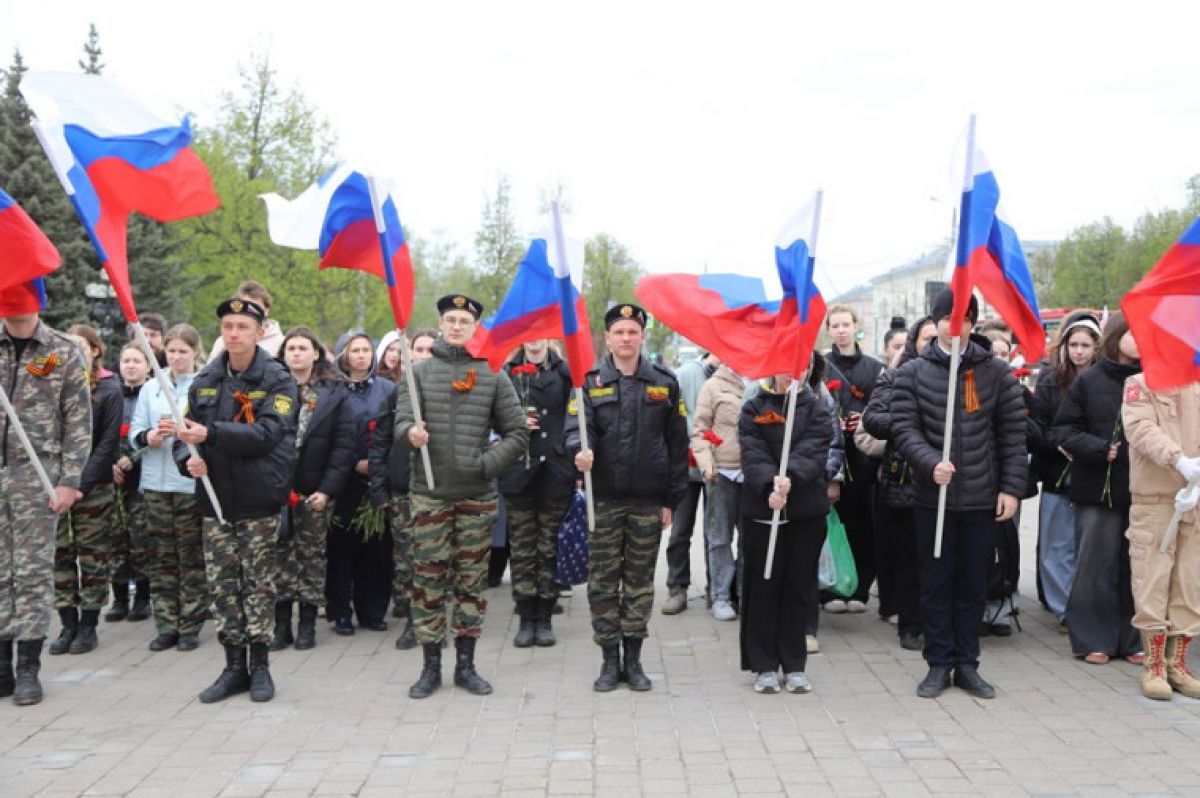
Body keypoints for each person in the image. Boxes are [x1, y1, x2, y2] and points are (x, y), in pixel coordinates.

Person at [891, 289, 1026, 699]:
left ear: (973, 322)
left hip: (981, 498)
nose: (955, 326)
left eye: (963, 318)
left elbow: (1012, 434)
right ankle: (938, 663)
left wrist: (1011, 488)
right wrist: (930, 462)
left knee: (972, 585)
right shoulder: (913, 372)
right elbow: (903, 428)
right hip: (934, 498)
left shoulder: (995, 372)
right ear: (935, 323)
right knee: (935, 583)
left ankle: (968, 664)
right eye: (947, 318)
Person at [395, 295, 528, 698]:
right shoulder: (417, 374)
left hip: (476, 496)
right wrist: (410, 434)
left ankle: (466, 666)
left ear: (475, 328)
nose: (456, 326)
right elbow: (400, 423)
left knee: (471, 582)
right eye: (450, 319)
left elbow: (518, 433)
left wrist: (485, 465)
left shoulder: (492, 375)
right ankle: (430, 667)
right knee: (428, 583)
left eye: (464, 321)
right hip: (430, 495)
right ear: (439, 324)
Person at [175, 298, 297, 703]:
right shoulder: (206, 379)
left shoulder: (277, 379)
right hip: (216, 499)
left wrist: (209, 436)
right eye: (227, 326)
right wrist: (186, 461)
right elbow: (186, 434)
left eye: (243, 327)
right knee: (223, 587)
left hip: (258, 497)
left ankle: (260, 667)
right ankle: (233, 667)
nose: (234, 334)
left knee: (258, 585)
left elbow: (267, 434)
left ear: (259, 332)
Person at [566, 303, 689, 692]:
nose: (625, 338)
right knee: (602, 583)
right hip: (603, 500)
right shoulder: (587, 382)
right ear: (608, 337)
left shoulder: (664, 383)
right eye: (619, 332)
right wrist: (578, 451)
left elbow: (677, 443)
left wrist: (672, 499)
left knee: (638, 583)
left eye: (632, 332)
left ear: (641, 337)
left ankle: (633, 660)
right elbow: (576, 428)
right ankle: (607, 661)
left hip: (647, 502)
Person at [0, 280, 91, 706]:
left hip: (36, 478)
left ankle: (28, 666)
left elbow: (78, 423)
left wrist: (70, 481)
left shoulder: (62, 351)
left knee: (32, 572)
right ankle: (1, 664)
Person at [1053, 312, 1142, 665]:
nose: (1139, 339)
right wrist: (1098, 447)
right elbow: (1063, 431)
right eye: (1132, 333)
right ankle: (1093, 638)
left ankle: (1133, 637)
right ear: (1116, 335)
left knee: (1136, 564)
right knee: (1096, 564)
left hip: (1143, 489)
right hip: (1098, 488)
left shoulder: (1153, 378)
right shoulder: (1090, 381)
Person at [738, 368, 833, 693]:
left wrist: (790, 477)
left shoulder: (817, 408)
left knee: (798, 588)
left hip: (804, 509)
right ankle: (763, 664)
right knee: (763, 586)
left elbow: (814, 450)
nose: (791, 372)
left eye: (800, 365)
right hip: (763, 508)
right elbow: (752, 451)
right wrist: (770, 484)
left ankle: (794, 664)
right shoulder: (754, 406)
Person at [272, 327, 356, 651]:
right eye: (290, 348)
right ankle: (281, 624)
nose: (296, 353)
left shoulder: (334, 392)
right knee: (279, 557)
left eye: (302, 348)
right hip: (276, 489)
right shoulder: (272, 388)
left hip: (314, 492)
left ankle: (307, 623)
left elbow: (344, 446)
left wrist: (327, 490)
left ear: (316, 353)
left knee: (311, 557)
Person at [129, 324, 207, 651]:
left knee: (189, 556)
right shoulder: (151, 387)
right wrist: (148, 436)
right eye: (172, 351)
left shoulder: (204, 386)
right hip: (155, 483)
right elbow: (134, 434)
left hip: (187, 484)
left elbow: (209, 432)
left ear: (195, 354)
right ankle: (166, 624)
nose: (176, 357)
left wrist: (183, 431)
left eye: (183, 352)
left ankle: (190, 624)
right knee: (160, 556)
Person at [1123, 373, 1200, 700]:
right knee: (1151, 579)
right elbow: (1139, 429)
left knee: (1190, 581)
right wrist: (1179, 460)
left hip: (1197, 497)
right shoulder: (1140, 383)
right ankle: (1153, 665)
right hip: (1155, 497)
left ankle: (1177, 663)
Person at [862, 316, 937, 651]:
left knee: (941, 559)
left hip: (951, 483)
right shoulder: (894, 376)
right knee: (909, 557)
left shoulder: (962, 377)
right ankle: (910, 623)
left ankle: (939, 623)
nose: (932, 343)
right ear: (914, 344)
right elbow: (873, 419)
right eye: (926, 338)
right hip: (906, 481)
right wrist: (909, 419)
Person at [50, 326, 121, 656]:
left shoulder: (108, 389)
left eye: (81, 346)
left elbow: (107, 445)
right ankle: (67, 623)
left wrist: (78, 485)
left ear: (95, 350)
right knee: (60, 554)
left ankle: (89, 625)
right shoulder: (53, 383)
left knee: (92, 556)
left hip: (92, 488)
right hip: (53, 487)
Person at [501, 339, 577, 648]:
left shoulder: (565, 372)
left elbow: (576, 417)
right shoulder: (506, 372)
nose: (535, 339)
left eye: (541, 333)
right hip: (519, 471)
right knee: (521, 550)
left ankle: (545, 617)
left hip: (555, 470)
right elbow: (494, 418)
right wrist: (514, 424)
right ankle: (525, 616)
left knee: (549, 548)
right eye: (529, 333)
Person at [1030, 313, 1100, 628]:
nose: (1079, 351)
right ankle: (1064, 609)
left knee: (1089, 545)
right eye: (1074, 344)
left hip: (1094, 473)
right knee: (1056, 545)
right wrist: (1056, 443)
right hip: (1057, 471)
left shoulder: (1106, 381)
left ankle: (1087, 606)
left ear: (1097, 347)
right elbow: (1037, 425)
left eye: (1086, 345)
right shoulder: (1049, 380)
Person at [325, 330, 395, 635]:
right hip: (343, 479)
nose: (361, 356)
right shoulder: (332, 390)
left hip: (378, 479)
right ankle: (341, 611)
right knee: (341, 550)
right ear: (343, 355)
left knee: (377, 550)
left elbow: (394, 431)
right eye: (355, 350)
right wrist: (351, 462)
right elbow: (325, 435)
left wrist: (377, 464)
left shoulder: (388, 389)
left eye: (366, 350)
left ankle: (374, 610)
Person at [823, 305, 883, 615]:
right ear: (829, 329)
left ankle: (860, 588)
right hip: (831, 455)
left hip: (863, 454)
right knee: (833, 520)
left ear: (855, 326)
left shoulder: (874, 368)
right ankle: (831, 587)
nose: (842, 330)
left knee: (863, 521)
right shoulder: (821, 365)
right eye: (836, 325)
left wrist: (864, 419)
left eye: (846, 324)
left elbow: (881, 406)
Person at [662, 351, 719, 615]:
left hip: (720, 467)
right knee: (680, 530)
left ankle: (717, 589)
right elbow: (671, 417)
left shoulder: (734, 374)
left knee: (716, 532)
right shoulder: (685, 374)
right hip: (686, 466)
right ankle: (677, 586)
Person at [691, 361, 747, 622]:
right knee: (720, 538)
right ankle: (721, 596)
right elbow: (700, 432)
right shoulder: (713, 385)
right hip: (721, 473)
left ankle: (747, 594)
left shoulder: (763, 381)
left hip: (755, 475)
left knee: (751, 540)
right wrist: (706, 464)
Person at [109, 342, 154, 622]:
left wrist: (134, 457)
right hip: (113, 476)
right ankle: (119, 598)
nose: (130, 365)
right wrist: (110, 463)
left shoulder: (151, 394)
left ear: (148, 366)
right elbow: (101, 434)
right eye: (126, 360)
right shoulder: (111, 394)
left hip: (141, 476)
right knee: (116, 539)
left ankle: (143, 598)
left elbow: (155, 432)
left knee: (140, 538)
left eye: (137, 360)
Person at [208, 280, 285, 360]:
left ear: (267, 309)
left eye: (255, 308)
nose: (249, 314)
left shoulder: (281, 344)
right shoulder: (222, 342)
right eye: (244, 308)